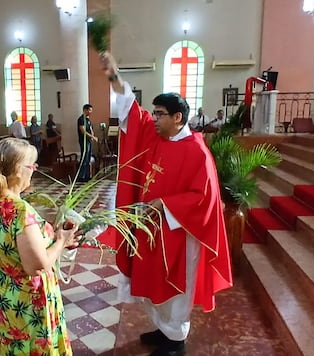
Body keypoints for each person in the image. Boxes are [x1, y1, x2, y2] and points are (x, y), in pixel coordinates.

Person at [100, 53, 232, 355]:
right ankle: (164, 330)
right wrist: (113, 75)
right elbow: (131, 110)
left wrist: (165, 204)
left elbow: (204, 198)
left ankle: (176, 340)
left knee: (176, 286)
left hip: (179, 233)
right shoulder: (156, 135)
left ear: (177, 118)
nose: (154, 118)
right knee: (152, 281)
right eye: (155, 113)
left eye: (160, 114)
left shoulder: (196, 151)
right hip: (152, 230)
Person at [0, 138, 80, 355]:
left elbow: (10, 246)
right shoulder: (19, 211)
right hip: (26, 299)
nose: (34, 170)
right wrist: (61, 241)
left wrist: (51, 237)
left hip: (0, 290)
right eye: (32, 166)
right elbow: (37, 266)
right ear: (18, 169)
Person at [77, 104, 98, 182]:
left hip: (89, 141)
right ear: (85, 110)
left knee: (88, 159)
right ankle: (81, 176)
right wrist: (92, 137)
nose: (91, 112)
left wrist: (92, 135)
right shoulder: (81, 119)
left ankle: (87, 175)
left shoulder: (87, 119)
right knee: (84, 158)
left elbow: (90, 128)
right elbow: (83, 131)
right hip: (84, 141)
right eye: (89, 110)